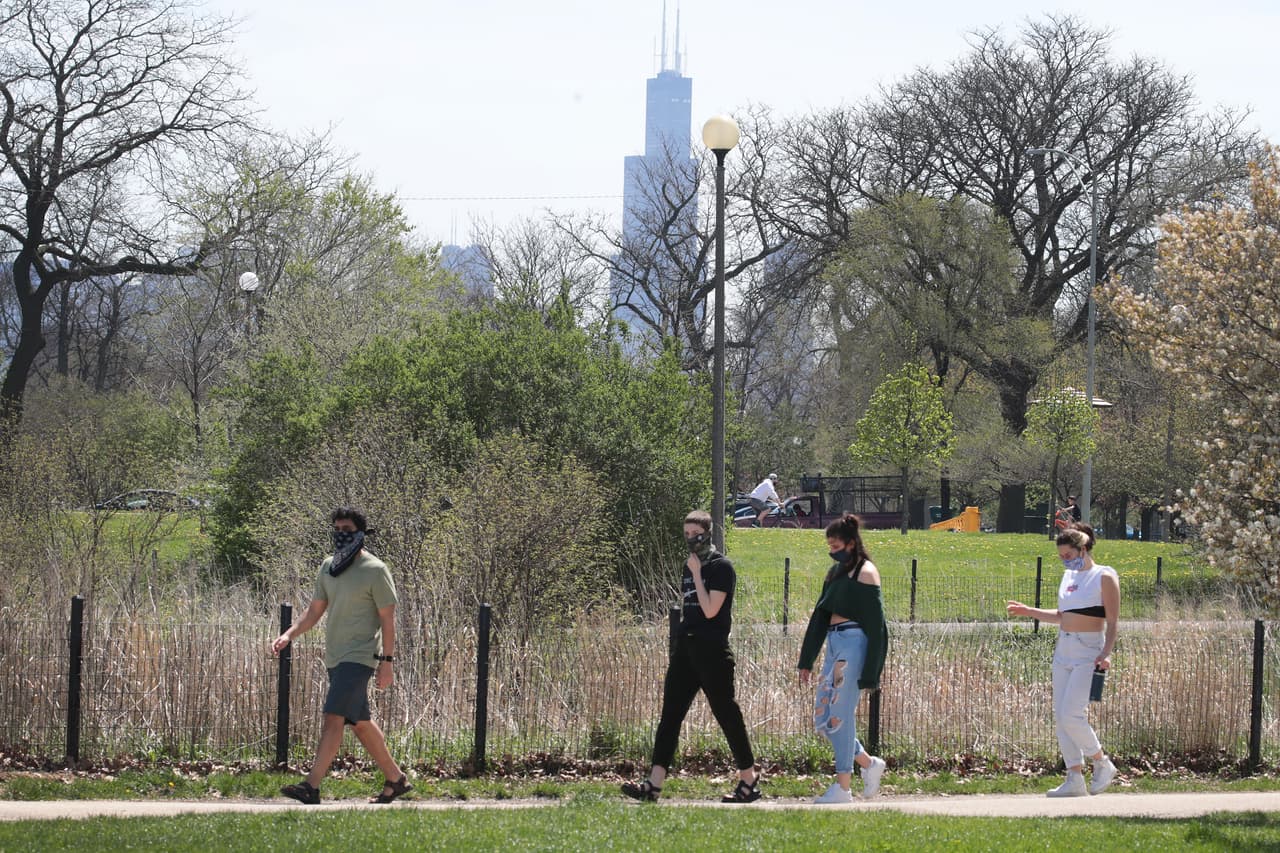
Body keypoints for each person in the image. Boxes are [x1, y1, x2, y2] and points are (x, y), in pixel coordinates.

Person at [271, 506, 412, 805]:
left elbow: (388, 620)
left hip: (360, 657)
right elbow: (314, 611)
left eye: (346, 530)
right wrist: (288, 635)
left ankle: (311, 786)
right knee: (359, 723)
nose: (340, 535)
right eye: (336, 530)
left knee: (333, 717)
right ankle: (395, 779)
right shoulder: (328, 567)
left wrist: (387, 663)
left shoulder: (376, 570)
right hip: (335, 657)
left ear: (360, 534)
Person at [621, 510, 761, 803]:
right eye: (685, 534)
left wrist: (697, 573)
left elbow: (710, 610)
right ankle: (653, 785)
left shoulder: (721, 567)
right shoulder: (689, 566)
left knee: (727, 715)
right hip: (687, 648)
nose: (690, 539)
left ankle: (749, 780)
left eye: (695, 534)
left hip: (713, 650)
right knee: (670, 715)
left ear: (708, 532)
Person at [1006, 524, 1119, 797]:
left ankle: (1101, 762)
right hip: (1064, 650)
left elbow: (1113, 621)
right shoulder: (1068, 578)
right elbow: (1061, 616)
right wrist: (1028, 611)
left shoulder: (1104, 576)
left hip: (1088, 651)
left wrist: (1106, 652)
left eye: (1068, 555)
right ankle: (1074, 777)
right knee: (1060, 717)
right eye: (1061, 557)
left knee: (1072, 714)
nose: (1065, 561)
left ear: (1083, 549)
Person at [797, 513, 889, 803]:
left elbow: (878, 626)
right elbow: (820, 616)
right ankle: (869, 765)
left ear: (850, 543)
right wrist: (806, 660)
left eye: (835, 544)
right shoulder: (834, 574)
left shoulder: (867, 572)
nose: (831, 550)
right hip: (834, 644)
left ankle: (843, 787)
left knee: (840, 715)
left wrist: (871, 672)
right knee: (824, 717)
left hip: (854, 644)